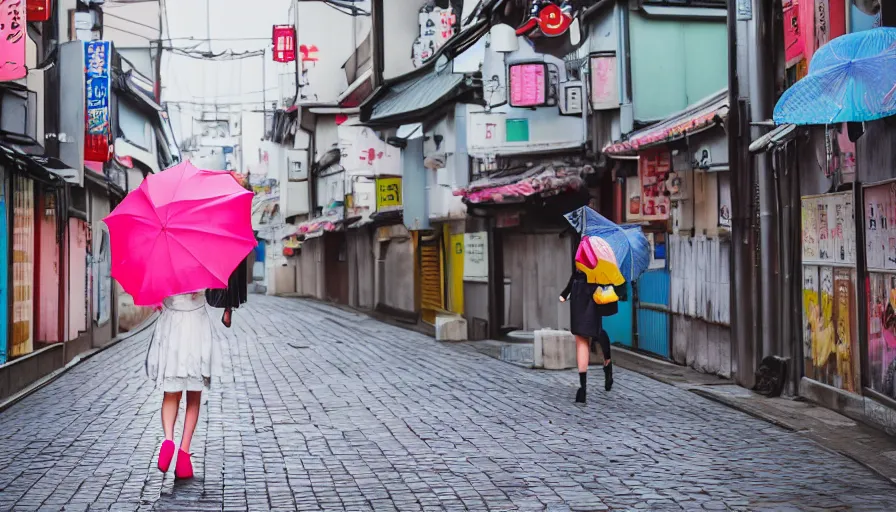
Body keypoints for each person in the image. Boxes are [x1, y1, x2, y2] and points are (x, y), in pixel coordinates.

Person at [146, 291, 217, 479]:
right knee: (194, 393)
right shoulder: (202, 265)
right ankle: (183, 454)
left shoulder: (165, 266)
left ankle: (169, 440)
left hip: (172, 326)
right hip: (197, 326)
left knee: (171, 392)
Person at [560, 269, 618, 403]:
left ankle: (607, 363)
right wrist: (566, 291)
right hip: (579, 293)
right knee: (582, 337)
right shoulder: (586, 250)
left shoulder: (598, 253)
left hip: (593, 292)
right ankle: (583, 386)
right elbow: (576, 272)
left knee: (597, 332)